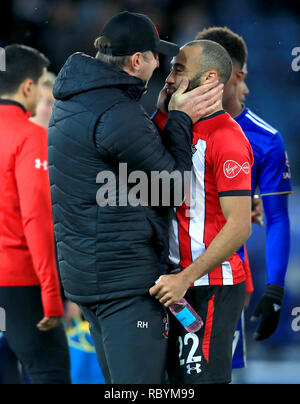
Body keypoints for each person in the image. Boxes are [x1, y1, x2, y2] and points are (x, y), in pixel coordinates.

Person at [48, 11, 223, 384]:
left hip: (92, 277)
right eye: (156, 55)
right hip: (124, 285)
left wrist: (159, 118)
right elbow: (172, 189)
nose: (161, 64)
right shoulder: (117, 112)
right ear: (137, 60)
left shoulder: (78, 98)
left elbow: (128, 175)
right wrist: (180, 120)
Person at [150, 39, 253, 384]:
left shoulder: (227, 137)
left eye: (179, 68)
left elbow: (240, 227)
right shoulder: (172, 123)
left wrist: (185, 277)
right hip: (172, 284)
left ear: (209, 78)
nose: (169, 75)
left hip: (208, 286)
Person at [195, 27, 292, 368]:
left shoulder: (265, 139)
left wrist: (275, 289)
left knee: (218, 376)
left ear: (233, 76)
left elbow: (278, 217)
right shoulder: (171, 123)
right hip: (171, 276)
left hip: (225, 281)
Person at [0, 44, 70, 384]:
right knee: (50, 371)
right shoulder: (30, 137)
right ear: (28, 87)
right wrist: (52, 294)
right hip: (19, 281)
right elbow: (36, 219)